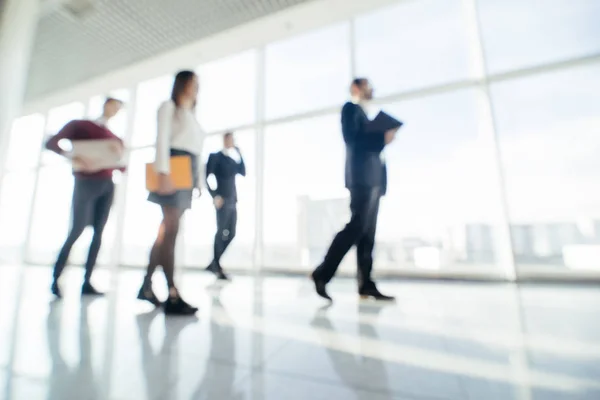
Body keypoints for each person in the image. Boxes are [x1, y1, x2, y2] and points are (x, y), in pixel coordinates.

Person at [311, 78, 398, 302]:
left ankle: (365, 284)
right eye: (367, 85)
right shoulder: (350, 110)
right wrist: (381, 137)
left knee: (368, 234)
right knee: (356, 227)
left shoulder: (364, 116)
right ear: (356, 88)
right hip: (361, 179)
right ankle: (322, 273)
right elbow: (352, 140)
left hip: (375, 180)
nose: (371, 89)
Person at [137, 70, 205, 315]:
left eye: (198, 84)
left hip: (187, 170)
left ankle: (146, 285)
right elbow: (162, 139)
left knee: (168, 230)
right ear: (181, 84)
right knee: (171, 230)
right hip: (172, 166)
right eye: (192, 83)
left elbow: (197, 152)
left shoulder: (192, 115)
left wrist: (198, 182)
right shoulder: (168, 107)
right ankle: (172, 292)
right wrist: (163, 172)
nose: (196, 87)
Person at [46, 97, 125, 298]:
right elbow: (51, 142)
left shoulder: (114, 138)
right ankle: (56, 279)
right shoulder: (81, 125)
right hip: (85, 183)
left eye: (118, 109)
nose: (115, 111)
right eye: (113, 106)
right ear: (106, 104)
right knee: (77, 229)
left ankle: (87, 282)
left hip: (107, 185)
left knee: (99, 233)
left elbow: (122, 166)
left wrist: (118, 155)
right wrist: (72, 156)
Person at [205, 132, 246, 280]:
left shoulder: (231, 160)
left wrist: (239, 152)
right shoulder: (215, 157)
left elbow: (243, 171)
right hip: (221, 200)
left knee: (232, 233)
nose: (231, 141)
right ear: (224, 140)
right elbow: (206, 177)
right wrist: (214, 195)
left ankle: (214, 263)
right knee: (220, 231)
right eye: (229, 139)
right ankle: (216, 267)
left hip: (233, 200)